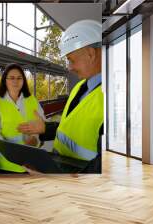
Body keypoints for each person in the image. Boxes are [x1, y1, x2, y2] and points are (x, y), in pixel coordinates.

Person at [17, 20, 103, 173]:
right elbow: (71, 128)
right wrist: (45, 128)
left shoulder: (113, 99)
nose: (69, 68)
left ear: (91, 54)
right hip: (60, 166)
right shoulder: (80, 87)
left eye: (71, 60)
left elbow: (103, 164)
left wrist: (53, 176)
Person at [0, 63, 45, 174]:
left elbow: (41, 124)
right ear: (5, 80)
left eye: (19, 78)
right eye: (12, 78)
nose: (16, 81)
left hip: (30, 162)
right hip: (7, 164)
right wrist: (12, 153)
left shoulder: (31, 100)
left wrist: (35, 139)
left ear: (23, 80)